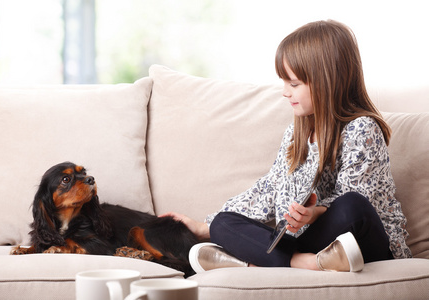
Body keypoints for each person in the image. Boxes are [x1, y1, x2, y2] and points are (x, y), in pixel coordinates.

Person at [162, 20, 412, 273]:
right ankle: (304, 263)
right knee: (223, 224)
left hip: (363, 242)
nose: (285, 92)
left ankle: (251, 262)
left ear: (327, 82)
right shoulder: (296, 133)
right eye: (284, 83)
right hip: (316, 246)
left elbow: (359, 200)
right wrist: (205, 226)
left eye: (293, 84)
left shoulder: (361, 128)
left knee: (351, 205)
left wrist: (314, 213)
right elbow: (270, 188)